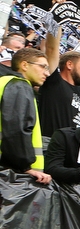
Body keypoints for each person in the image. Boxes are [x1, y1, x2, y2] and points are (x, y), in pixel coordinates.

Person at [0, 48, 51, 184]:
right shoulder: (19, 85)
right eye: (42, 67)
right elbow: (15, 129)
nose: (46, 73)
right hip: (10, 171)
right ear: (24, 65)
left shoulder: (6, 82)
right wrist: (24, 167)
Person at [39, 28, 80, 136]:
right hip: (51, 145)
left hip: (73, 148)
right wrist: (56, 23)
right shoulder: (53, 82)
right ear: (69, 65)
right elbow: (51, 48)